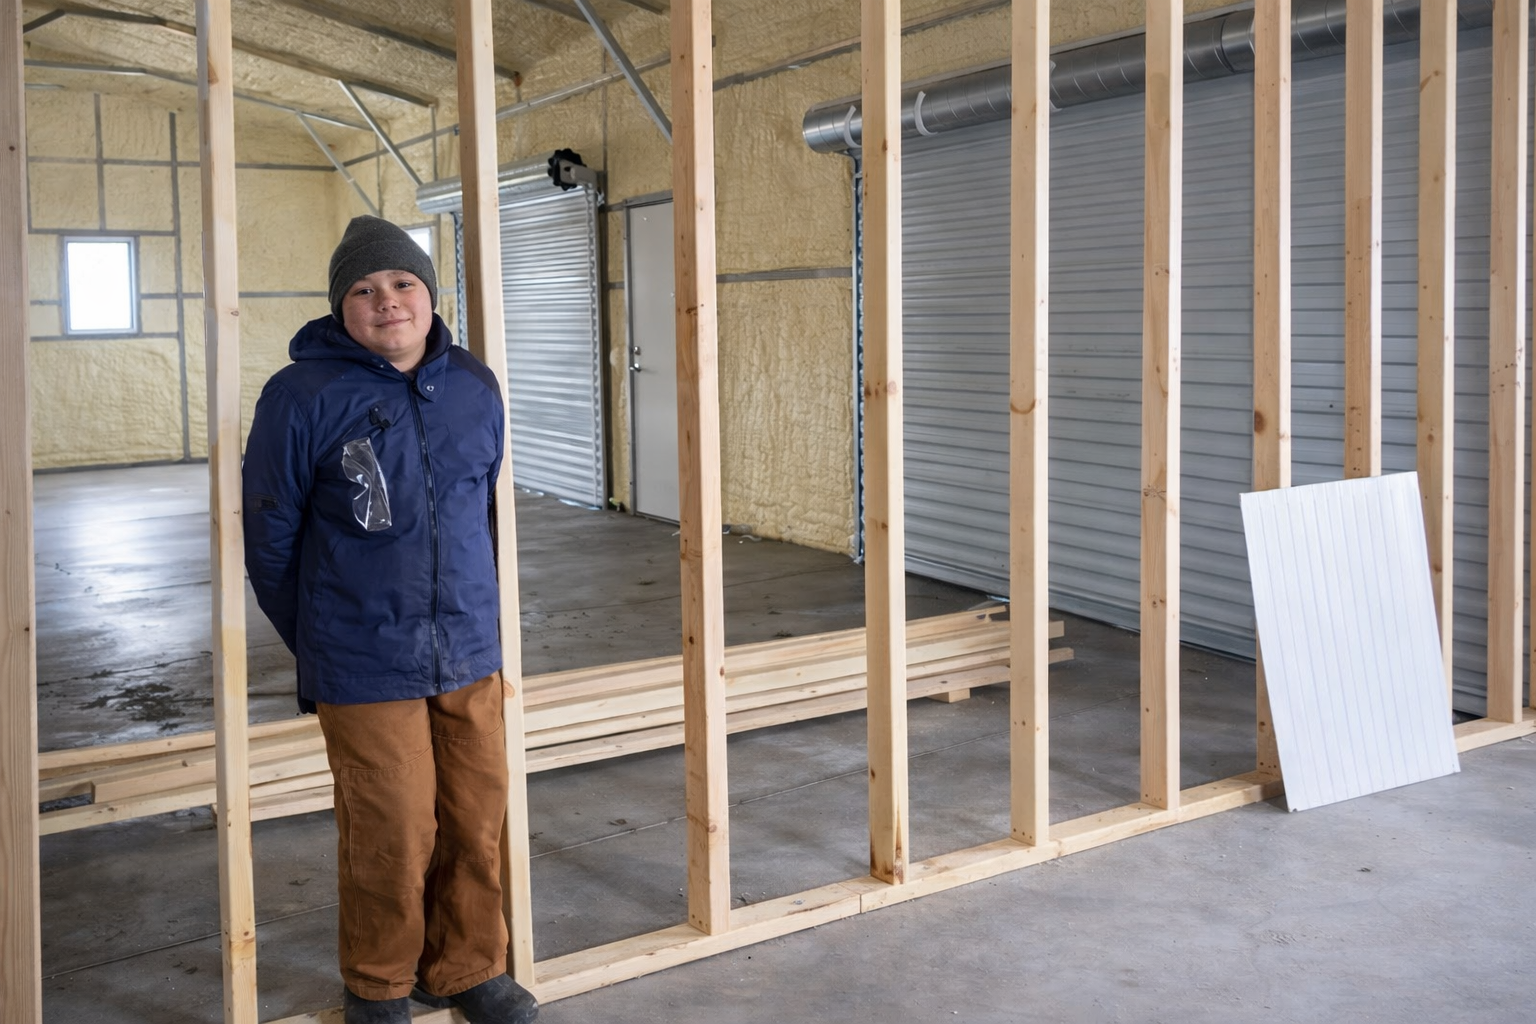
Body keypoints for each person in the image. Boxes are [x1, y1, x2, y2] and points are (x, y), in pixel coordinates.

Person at [243, 216, 538, 1024]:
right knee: (392, 829)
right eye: (364, 290)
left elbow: (484, 513)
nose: (388, 302)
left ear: (430, 295)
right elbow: (270, 539)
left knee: (476, 819)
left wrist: (484, 620)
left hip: (470, 647)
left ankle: (469, 967)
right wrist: (321, 642)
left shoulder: (474, 385)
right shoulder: (300, 396)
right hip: (363, 656)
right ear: (341, 308)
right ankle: (378, 981)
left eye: (403, 283)